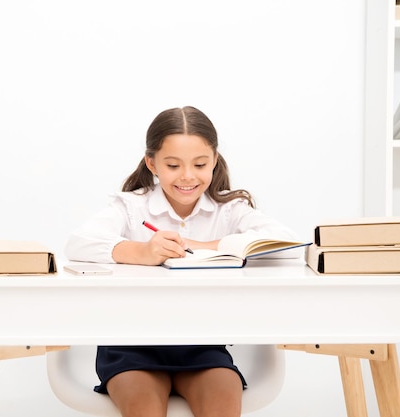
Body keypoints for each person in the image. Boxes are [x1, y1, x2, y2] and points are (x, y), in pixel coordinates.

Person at [65, 106, 300, 417]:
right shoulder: (132, 207)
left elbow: (288, 245)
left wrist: (206, 245)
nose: (188, 176)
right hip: (131, 346)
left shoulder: (229, 209)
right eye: (173, 165)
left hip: (202, 347)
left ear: (214, 160)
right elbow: (78, 243)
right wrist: (142, 252)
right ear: (152, 163)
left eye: (200, 164)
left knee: (223, 406)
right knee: (144, 409)